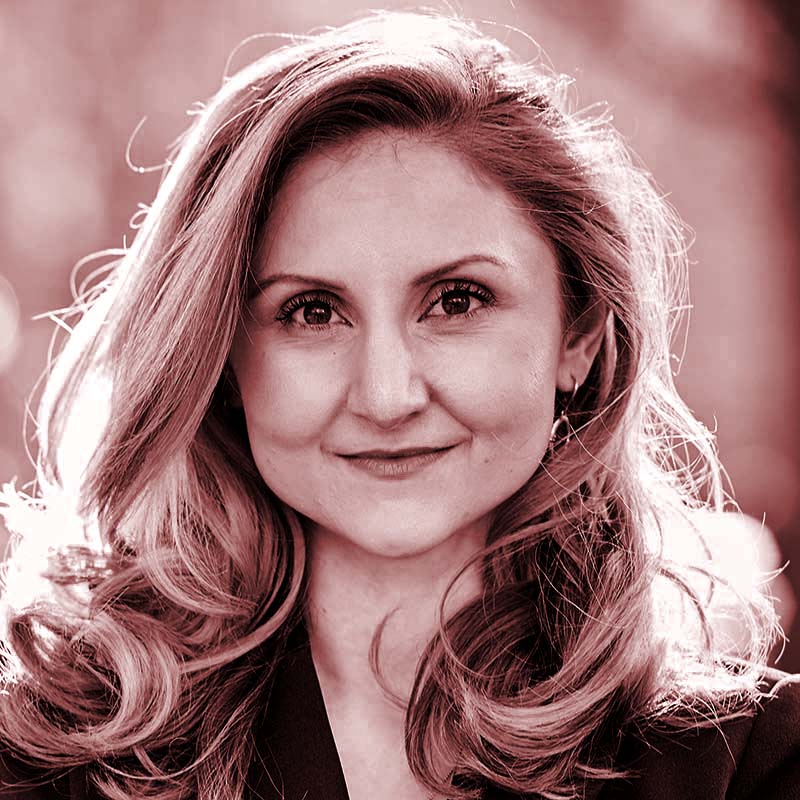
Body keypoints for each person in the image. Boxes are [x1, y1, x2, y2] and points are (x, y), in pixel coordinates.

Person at [0, 10, 798, 800]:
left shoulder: (745, 763)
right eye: (313, 311)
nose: (387, 397)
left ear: (579, 336)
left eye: (457, 300)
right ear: (223, 359)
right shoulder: (48, 759)